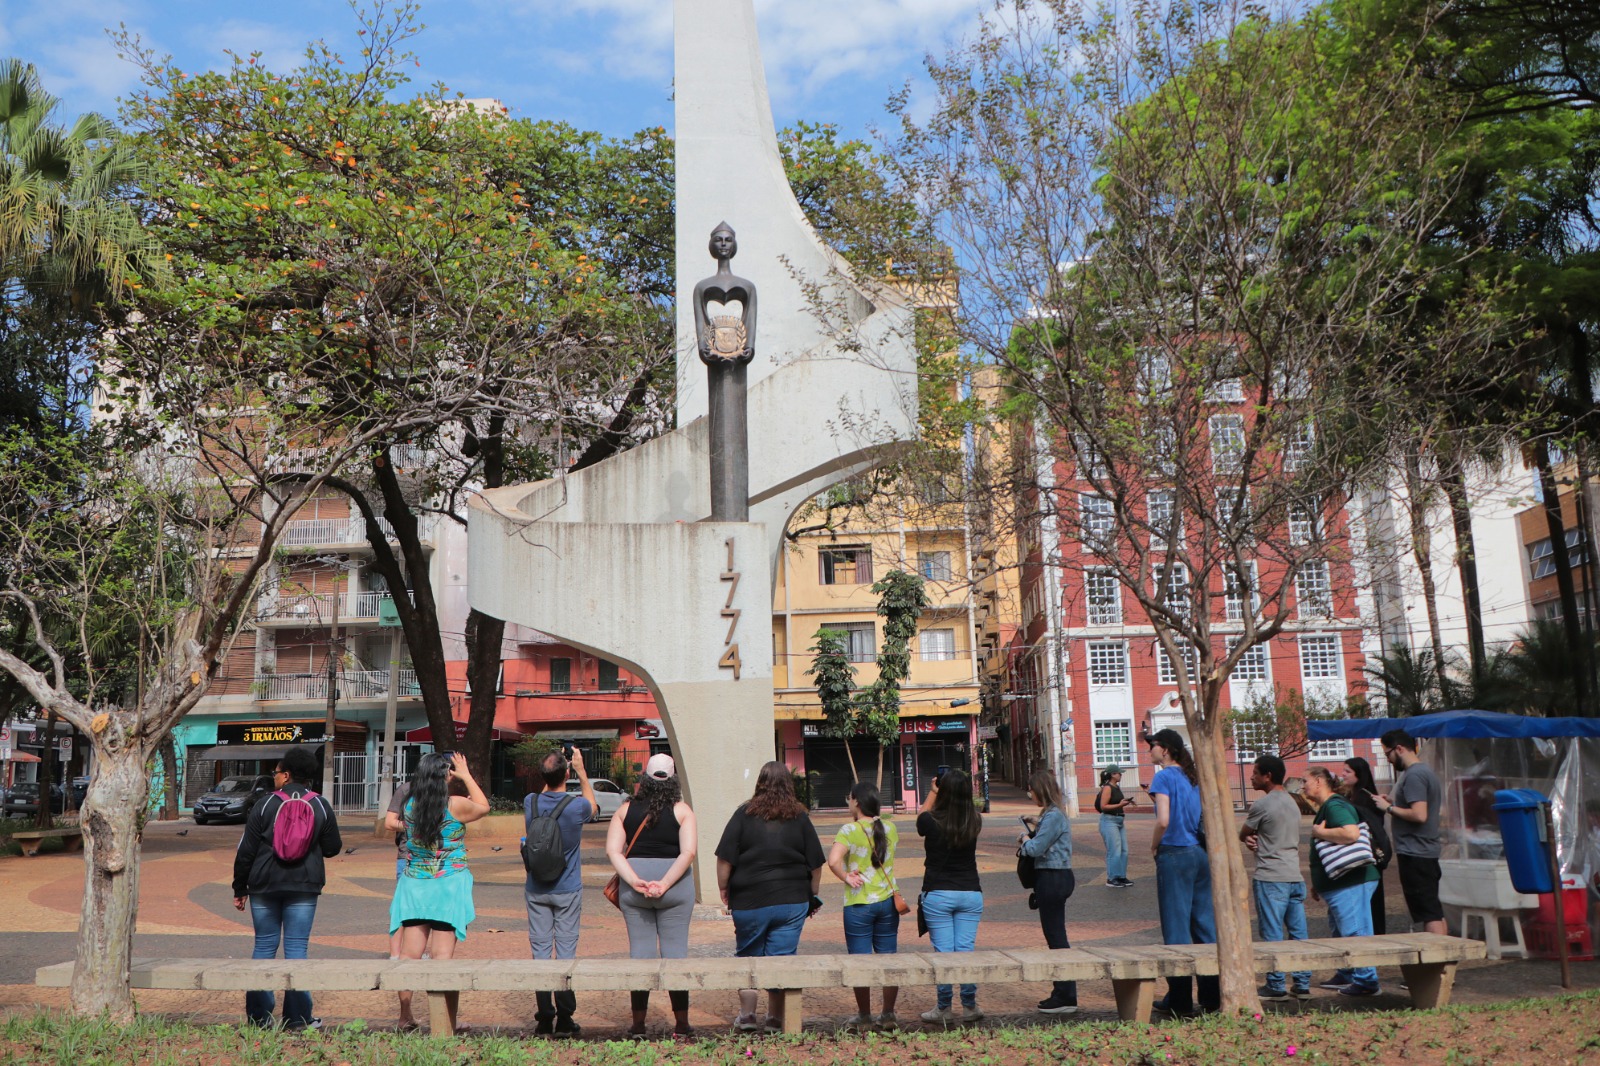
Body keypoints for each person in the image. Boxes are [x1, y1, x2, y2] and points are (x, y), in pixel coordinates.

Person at [232, 745, 342, 1030]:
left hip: (264, 883)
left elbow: (246, 850)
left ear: (287, 774)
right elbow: (333, 848)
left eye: (277, 772)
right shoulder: (320, 804)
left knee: (264, 946)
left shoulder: (266, 804)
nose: (275, 776)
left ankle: (259, 1019)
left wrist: (239, 887)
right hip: (304, 886)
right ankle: (298, 1019)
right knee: (297, 949)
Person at [715, 760, 825, 1033]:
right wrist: (812, 894)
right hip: (791, 900)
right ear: (789, 784)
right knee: (782, 958)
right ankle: (776, 1018)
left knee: (748, 955)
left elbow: (724, 858)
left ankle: (748, 1016)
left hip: (750, 899)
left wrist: (724, 887)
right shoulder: (800, 816)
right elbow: (816, 863)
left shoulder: (743, 814)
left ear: (760, 783)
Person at [387, 752, 491, 1036]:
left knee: (409, 956)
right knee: (443, 959)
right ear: (446, 776)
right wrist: (466, 773)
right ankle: (447, 1021)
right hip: (448, 887)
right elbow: (484, 806)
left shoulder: (410, 807)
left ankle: (405, 1016)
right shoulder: (455, 806)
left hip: (414, 887)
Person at [608, 753, 697, 1039]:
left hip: (636, 891)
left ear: (645, 778)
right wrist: (665, 883)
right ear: (672, 780)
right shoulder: (683, 811)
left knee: (640, 955)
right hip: (676, 890)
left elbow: (613, 851)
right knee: (676, 956)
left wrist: (635, 881)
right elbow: (688, 852)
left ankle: (638, 1026)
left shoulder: (625, 810)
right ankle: (681, 1025)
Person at [1145, 728, 1220, 1016]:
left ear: (1165, 749)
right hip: (1199, 853)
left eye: (1153, 745)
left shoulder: (1163, 777)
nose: (1150, 749)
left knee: (1176, 928)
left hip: (1174, 853)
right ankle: (1211, 996)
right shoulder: (1193, 777)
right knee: (1204, 925)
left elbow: (1163, 820)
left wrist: (1154, 846)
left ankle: (1179, 999)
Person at [524, 747, 597, 1036]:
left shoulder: (530, 802)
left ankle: (544, 1018)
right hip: (567, 888)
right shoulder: (576, 807)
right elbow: (593, 806)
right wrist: (580, 770)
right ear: (566, 773)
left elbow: (545, 792)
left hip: (536, 887)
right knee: (566, 952)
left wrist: (555, 769)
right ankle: (565, 1018)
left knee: (540, 952)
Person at [826, 782, 902, 1031]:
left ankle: (865, 1015)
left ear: (856, 801)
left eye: (849, 798)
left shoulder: (849, 830)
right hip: (888, 902)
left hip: (858, 904)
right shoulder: (890, 827)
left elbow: (833, 860)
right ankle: (889, 1014)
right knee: (889, 959)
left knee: (860, 961)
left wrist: (847, 876)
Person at [1238, 754, 1310, 1003]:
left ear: (1267, 776)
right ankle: (1302, 982)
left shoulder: (1262, 804)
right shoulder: (1292, 802)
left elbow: (1244, 832)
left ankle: (1276, 983)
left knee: (1272, 932)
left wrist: (1250, 838)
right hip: (1294, 875)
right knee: (1298, 933)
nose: (1251, 777)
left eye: (1256, 772)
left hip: (1271, 876)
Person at [1305, 766, 1381, 996]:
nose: (1302, 786)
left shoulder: (1335, 805)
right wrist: (1320, 882)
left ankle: (1366, 981)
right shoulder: (1330, 806)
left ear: (1319, 781)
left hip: (1351, 882)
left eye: (1305, 781)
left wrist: (1319, 833)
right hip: (1340, 882)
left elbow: (1350, 834)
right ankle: (1348, 974)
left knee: (1355, 931)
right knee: (1343, 930)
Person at [917, 767, 985, 1025]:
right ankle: (969, 1005)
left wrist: (933, 792)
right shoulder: (975, 820)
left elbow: (921, 817)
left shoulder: (931, 821)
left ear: (942, 790)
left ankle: (944, 1007)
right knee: (965, 951)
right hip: (970, 893)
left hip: (938, 894)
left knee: (943, 953)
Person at [1375, 729, 1446, 936]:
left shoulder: (1414, 775)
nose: (1388, 759)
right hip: (1424, 851)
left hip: (1417, 852)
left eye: (1388, 754)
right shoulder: (1423, 772)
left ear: (1399, 748)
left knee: (1428, 914)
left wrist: (1387, 808)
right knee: (1434, 910)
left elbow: (1419, 815)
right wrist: (1394, 802)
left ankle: (1436, 962)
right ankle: (1443, 965)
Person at [1018, 768, 1077, 1014]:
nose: (1029, 793)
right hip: (1054, 876)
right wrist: (1035, 823)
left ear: (1039, 789)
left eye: (1031, 789)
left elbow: (1036, 848)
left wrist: (1024, 839)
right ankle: (1062, 992)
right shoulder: (1052, 815)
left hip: (1052, 877)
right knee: (1055, 935)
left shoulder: (1053, 816)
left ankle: (1065, 995)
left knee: (1056, 937)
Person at [1341, 756, 1391, 936]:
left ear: (1358, 774)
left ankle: (1374, 934)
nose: (1343, 774)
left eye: (1347, 771)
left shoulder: (1365, 798)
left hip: (1368, 856)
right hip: (1365, 855)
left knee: (1372, 901)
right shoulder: (1353, 795)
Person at [385, 780, 417, 1031]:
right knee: (403, 918)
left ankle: (447, 1014)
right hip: (409, 858)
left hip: (438, 863)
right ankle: (405, 1014)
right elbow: (389, 822)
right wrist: (413, 825)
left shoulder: (446, 792)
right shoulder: (407, 789)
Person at [1095, 766, 1136, 887]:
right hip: (1109, 821)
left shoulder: (1116, 787)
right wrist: (1120, 804)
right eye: (1119, 773)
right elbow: (1103, 807)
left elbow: (1116, 802)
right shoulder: (1107, 787)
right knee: (1114, 850)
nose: (1121, 775)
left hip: (1119, 820)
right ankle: (1112, 878)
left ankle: (1121, 876)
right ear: (1113, 774)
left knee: (1124, 850)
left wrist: (1124, 802)